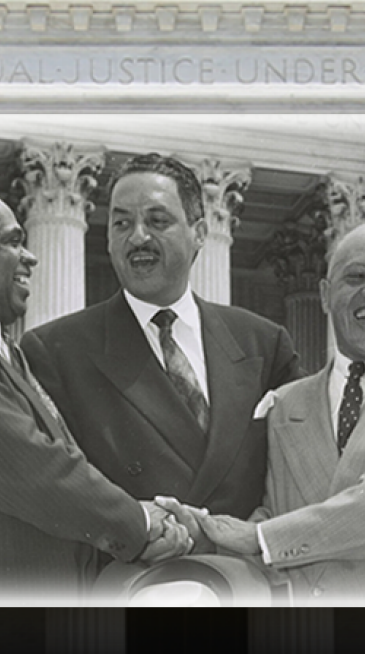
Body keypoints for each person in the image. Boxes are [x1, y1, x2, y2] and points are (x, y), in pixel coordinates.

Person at [0, 185, 189, 604]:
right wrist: (140, 524)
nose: (32, 256)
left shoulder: (4, 354)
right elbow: (30, 468)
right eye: (12, 241)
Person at [161, 222, 365, 605]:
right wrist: (207, 534)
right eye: (358, 276)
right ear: (325, 295)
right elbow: (277, 514)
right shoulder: (284, 403)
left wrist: (260, 537)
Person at [24, 154, 302, 554]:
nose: (137, 237)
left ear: (200, 232)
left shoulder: (263, 342)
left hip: (243, 582)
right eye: (122, 223)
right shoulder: (54, 351)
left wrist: (259, 531)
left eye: (157, 221)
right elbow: (54, 491)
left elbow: (305, 463)